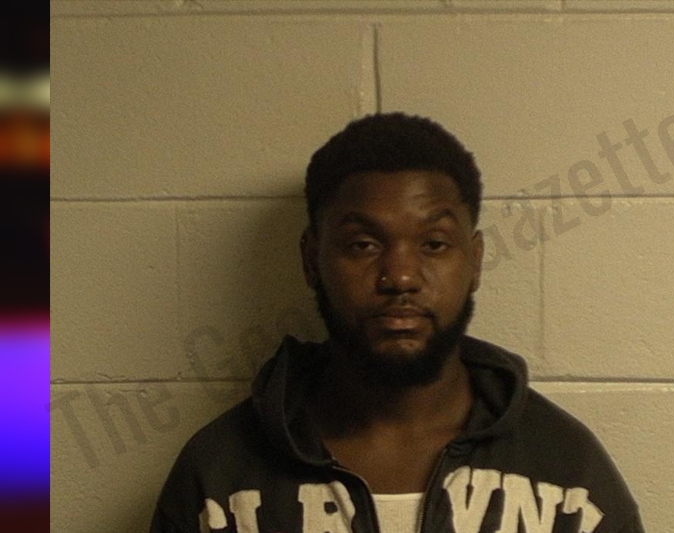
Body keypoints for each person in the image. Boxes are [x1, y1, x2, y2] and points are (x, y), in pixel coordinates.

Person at [150, 113, 646, 533]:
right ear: (311, 259)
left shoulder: (567, 475)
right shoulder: (219, 477)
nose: (401, 276)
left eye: (434, 244)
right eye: (363, 245)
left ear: (474, 261)